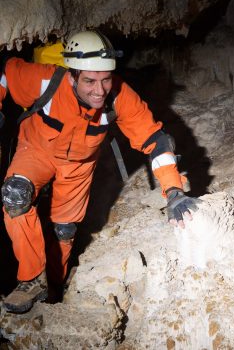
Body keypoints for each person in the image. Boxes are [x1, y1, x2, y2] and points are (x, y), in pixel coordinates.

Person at [0, 30, 200, 313]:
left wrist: (174, 191)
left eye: (106, 79)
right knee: (15, 196)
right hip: (36, 151)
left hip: (78, 167)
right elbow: (6, 73)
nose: (99, 90)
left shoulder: (119, 97)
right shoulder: (47, 80)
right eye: (90, 81)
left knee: (65, 230)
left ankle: (54, 287)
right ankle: (31, 279)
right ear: (72, 76)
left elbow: (156, 141)